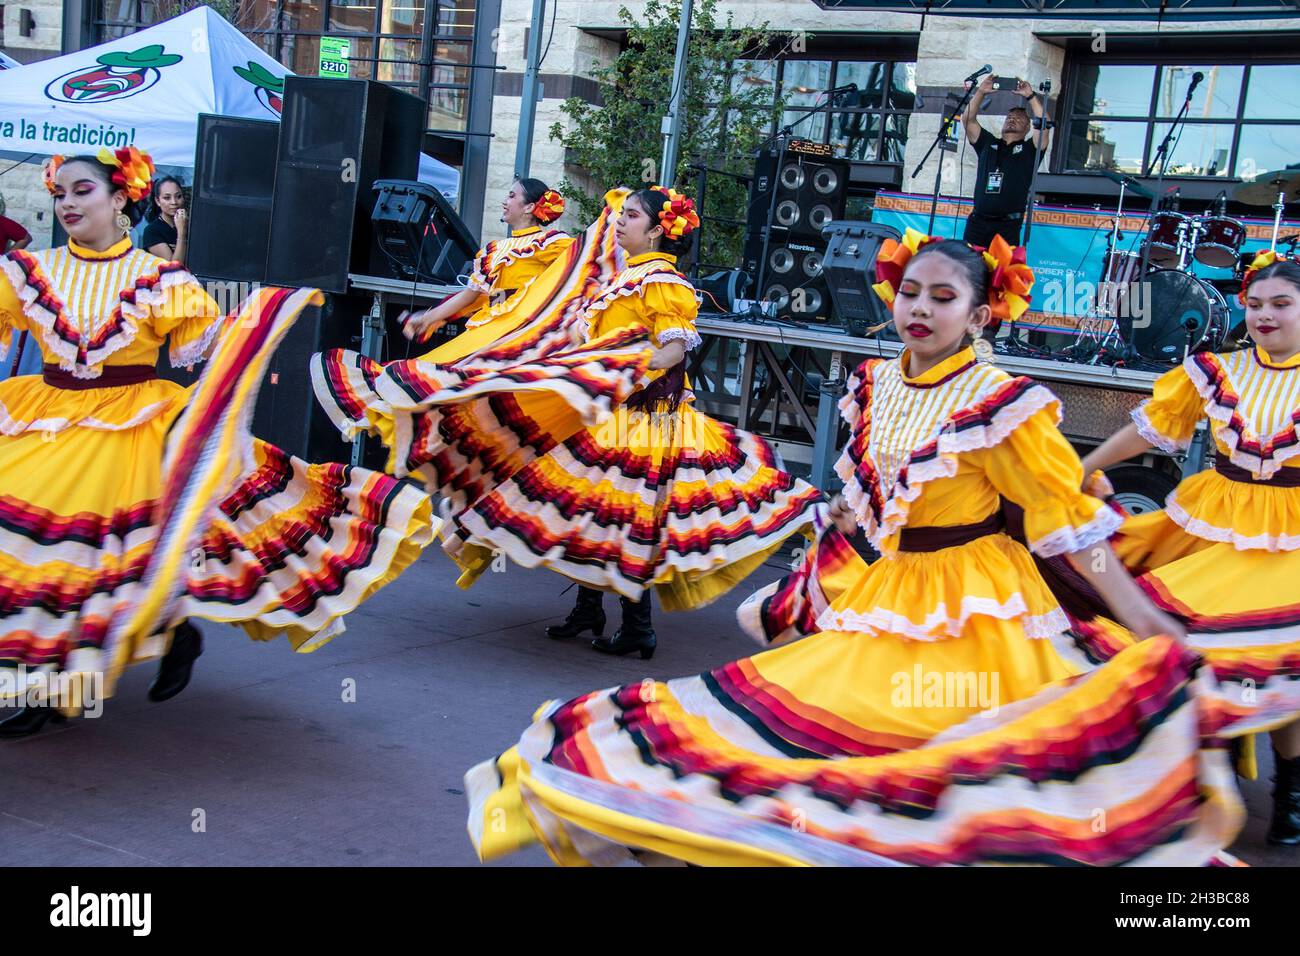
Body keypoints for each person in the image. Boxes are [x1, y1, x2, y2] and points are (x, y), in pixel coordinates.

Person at [459, 230, 1223, 868]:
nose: (919, 308)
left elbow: (1068, 525)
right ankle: (673, 826)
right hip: (887, 596)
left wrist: (1144, 626)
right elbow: (866, 512)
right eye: (910, 292)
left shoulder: (1003, 402)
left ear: (981, 312)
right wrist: (818, 570)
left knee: (939, 773)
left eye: (943, 297)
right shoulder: (872, 383)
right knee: (791, 736)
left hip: (979, 613)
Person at [0, 147, 435, 737]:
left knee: (98, 553)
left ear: (121, 198)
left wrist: (265, 314)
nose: (68, 203)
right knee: (36, 550)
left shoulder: (157, 277)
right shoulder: (29, 270)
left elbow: (210, 342)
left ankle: (112, 659)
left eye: (82, 190)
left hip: (130, 424)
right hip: (43, 416)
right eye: (60, 194)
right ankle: (103, 658)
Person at [313, 186, 823, 658]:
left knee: (626, 516)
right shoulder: (626, 275)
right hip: (611, 411)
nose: (621, 222)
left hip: (644, 421)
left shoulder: (663, 281)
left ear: (657, 231)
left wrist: (626, 371)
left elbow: (673, 349)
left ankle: (638, 626)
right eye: (622, 215)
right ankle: (588, 608)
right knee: (589, 508)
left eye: (632, 216)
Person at [1075, 251, 1300, 846]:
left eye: (1281, 305)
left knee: (1281, 662)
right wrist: (1082, 467)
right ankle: (1204, 778)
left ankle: (1290, 791)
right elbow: (1151, 429)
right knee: (1189, 651)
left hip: (1291, 543)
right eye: (1254, 305)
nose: (1264, 316)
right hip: (1214, 529)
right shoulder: (1215, 371)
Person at [398, 178, 573, 365]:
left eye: (512, 196)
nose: (505, 201)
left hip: (521, 327)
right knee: (440, 368)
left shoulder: (551, 242)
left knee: (466, 373)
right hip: (491, 324)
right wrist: (427, 317)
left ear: (529, 207)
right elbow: (469, 296)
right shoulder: (494, 250)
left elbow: (583, 264)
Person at [961, 74, 1048, 249]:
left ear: (1027, 127)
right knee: (969, 270)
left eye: (1018, 118)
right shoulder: (988, 143)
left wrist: (1030, 96)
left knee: (1002, 274)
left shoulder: (1030, 150)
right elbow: (967, 120)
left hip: (1007, 227)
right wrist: (981, 92)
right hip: (978, 222)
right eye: (1009, 117)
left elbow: (1045, 124)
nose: (1012, 120)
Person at [140, 174, 188, 262]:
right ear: (158, 201)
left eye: (178, 196)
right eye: (167, 198)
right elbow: (174, 269)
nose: (174, 202)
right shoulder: (152, 231)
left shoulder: (190, 225)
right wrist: (182, 233)